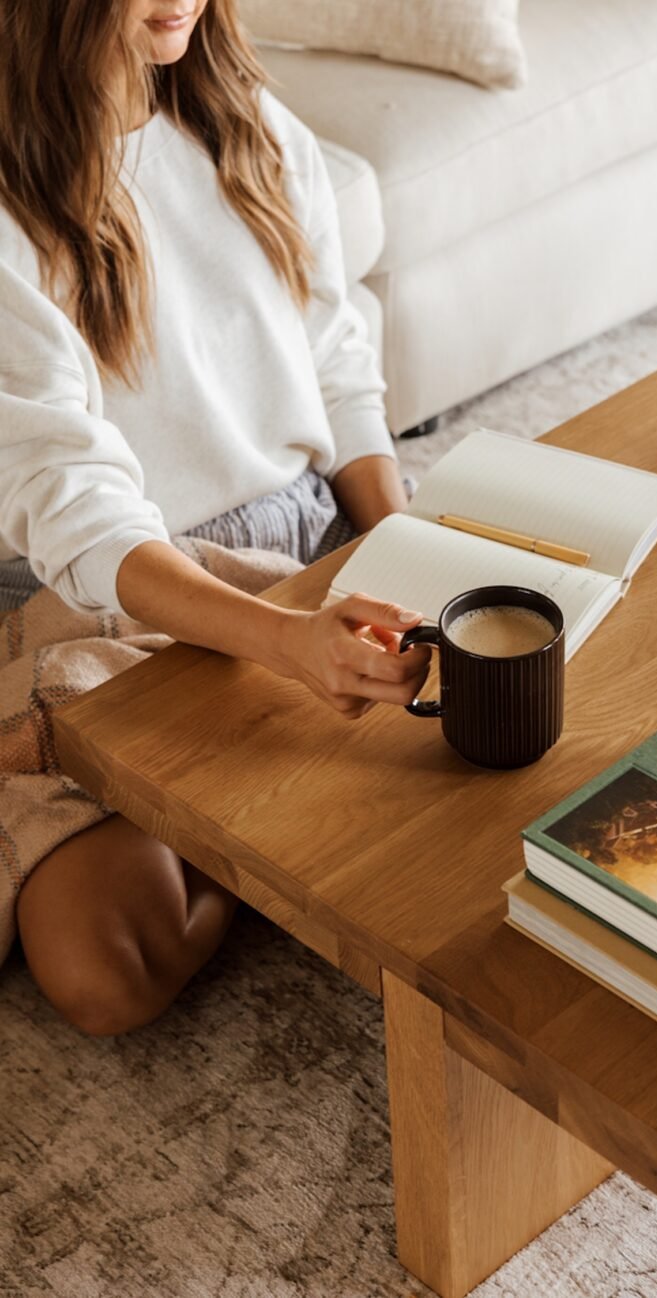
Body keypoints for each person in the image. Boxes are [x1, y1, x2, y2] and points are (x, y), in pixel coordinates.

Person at [0, 0, 430, 1035]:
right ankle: (256, 821)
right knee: (108, 968)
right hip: (114, 597)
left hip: (296, 546)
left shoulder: (249, 122)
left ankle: (239, 789)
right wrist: (285, 645)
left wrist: (406, 545)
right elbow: (81, 513)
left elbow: (337, 365)